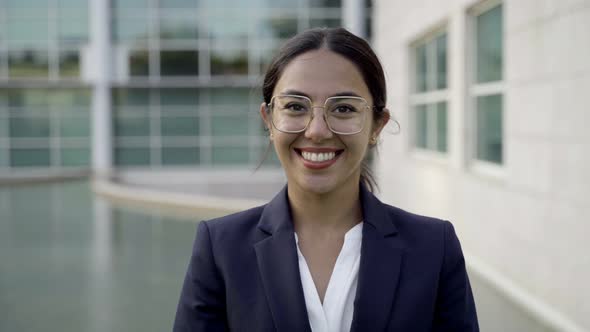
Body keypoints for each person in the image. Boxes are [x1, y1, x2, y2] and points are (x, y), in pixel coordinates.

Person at [173, 27, 479, 332]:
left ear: (377, 125)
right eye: (295, 106)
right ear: (269, 120)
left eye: (344, 108)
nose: (317, 130)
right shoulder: (221, 248)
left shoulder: (434, 248)